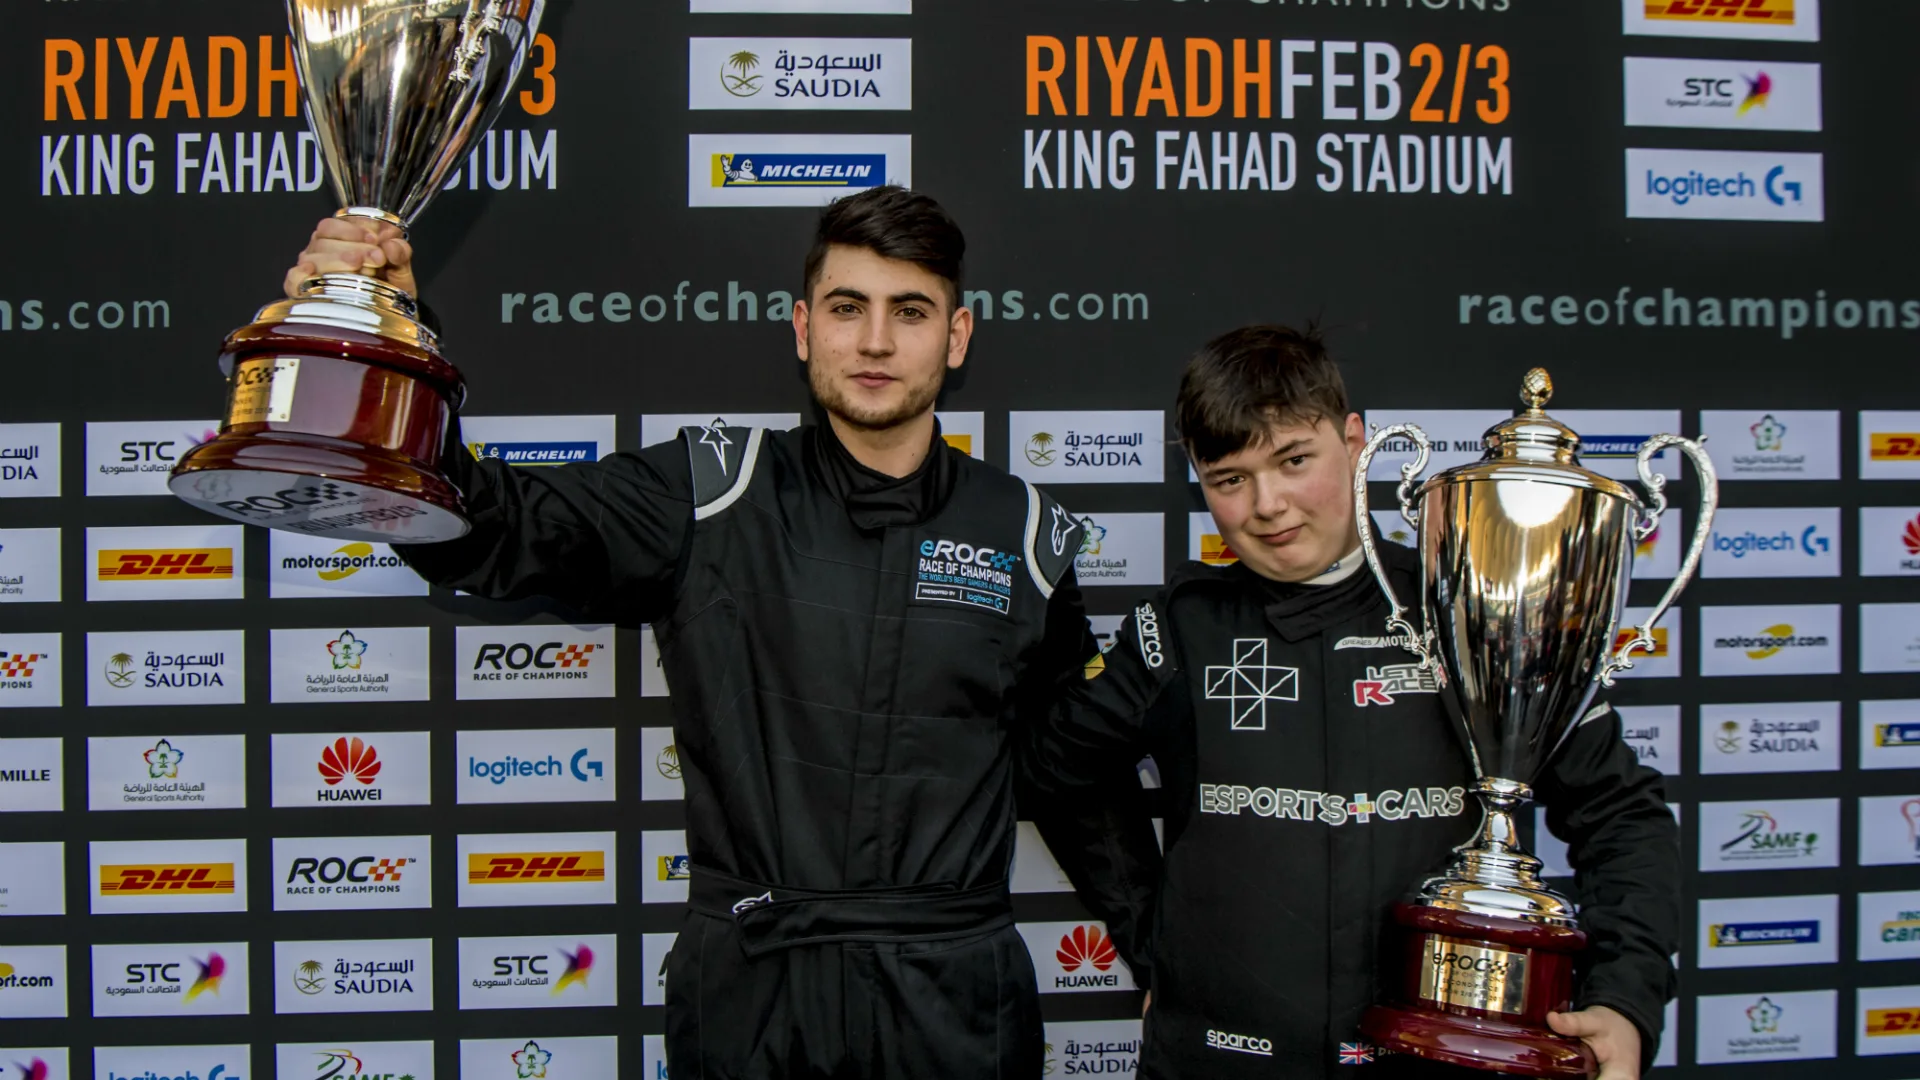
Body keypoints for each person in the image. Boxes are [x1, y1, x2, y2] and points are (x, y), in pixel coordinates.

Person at [285, 187, 1131, 1078]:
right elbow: (490, 526)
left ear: (956, 338)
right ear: (804, 327)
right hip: (755, 996)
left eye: (910, 312)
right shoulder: (711, 492)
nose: (876, 341)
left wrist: (1161, 957)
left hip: (955, 1004)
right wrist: (386, 340)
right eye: (848, 308)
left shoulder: (1023, 534)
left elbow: (1078, 777)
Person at [1025, 325, 1681, 1079]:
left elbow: (1621, 815)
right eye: (1229, 479)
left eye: (1293, 460)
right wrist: (1154, 939)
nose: (1267, 505)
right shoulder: (1181, 624)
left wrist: (1624, 997)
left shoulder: (1470, 608)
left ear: (1355, 441)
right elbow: (1056, 769)